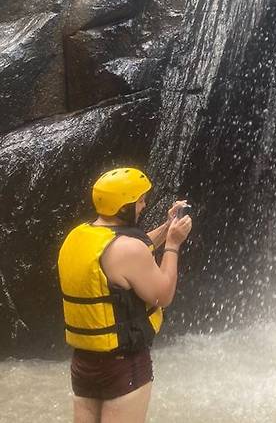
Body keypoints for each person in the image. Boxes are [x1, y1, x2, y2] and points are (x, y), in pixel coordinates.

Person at [57, 167, 192, 423]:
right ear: (123, 207)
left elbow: (133, 252)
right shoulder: (128, 250)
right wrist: (173, 245)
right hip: (123, 364)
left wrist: (167, 227)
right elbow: (163, 295)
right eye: (140, 200)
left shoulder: (80, 236)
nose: (144, 205)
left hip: (84, 364)